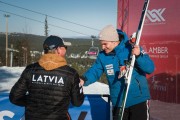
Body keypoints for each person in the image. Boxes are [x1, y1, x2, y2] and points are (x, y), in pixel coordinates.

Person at [80, 25, 155, 120]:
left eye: (105, 44)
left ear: (114, 42)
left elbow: (150, 68)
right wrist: (83, 79)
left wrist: (139, 55)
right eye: (101, 44)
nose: (102, 47)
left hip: (138, 100)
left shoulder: (131, 49)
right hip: (118, 101)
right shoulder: (103, 56)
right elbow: (95, 70)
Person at [9, 35, 84, 120]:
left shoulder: (30, 69)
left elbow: (14, 97)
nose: (66, 49)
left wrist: (32, 102)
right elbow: (77, 102)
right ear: (58, 50)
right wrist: (79, 87)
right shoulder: (71, 73)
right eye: (65, 47)